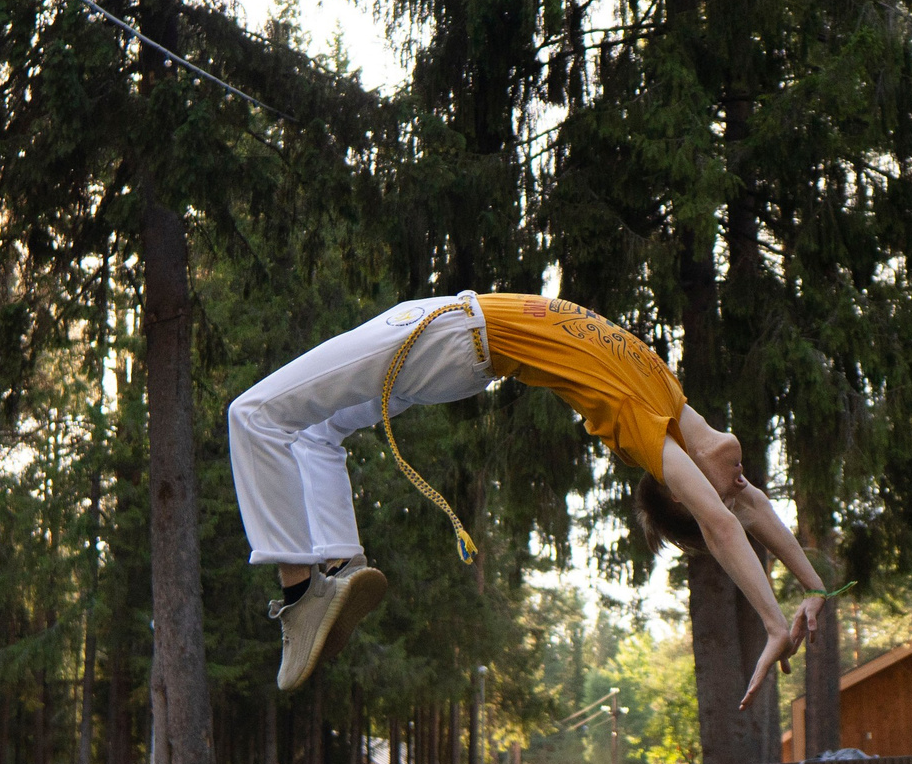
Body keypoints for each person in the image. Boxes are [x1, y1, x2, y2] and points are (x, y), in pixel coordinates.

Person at [229, 292, 830, 704]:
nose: (749, 486)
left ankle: (302, 591)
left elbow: (726, 523)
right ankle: (339, 566)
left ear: (690, 486)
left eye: (729, 492)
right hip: (454, 343)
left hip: (447, 333)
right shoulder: (670, 401)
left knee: (255, 414)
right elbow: (749, 513)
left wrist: (773, 623)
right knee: (316, 429)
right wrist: (811, 587)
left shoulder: (642, 425)